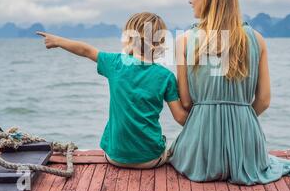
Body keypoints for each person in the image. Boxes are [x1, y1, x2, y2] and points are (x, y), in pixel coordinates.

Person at [169, 0, 290, 184]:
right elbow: (263, 100)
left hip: (201, 153)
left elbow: (185, 102)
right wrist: (239, 121)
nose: (189, 0)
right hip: (247, 150)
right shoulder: (257, 39)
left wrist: (206, 123)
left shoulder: (184, 41)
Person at [37, 12, 188, 169]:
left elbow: (86, 50)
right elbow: (180, 118)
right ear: (160, 43)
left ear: (129, 38)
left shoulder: (116, 63)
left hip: (114, 157)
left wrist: (58, 41)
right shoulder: (166, 76)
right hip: (150, 160)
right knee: (168, 146)